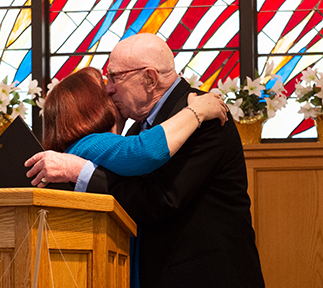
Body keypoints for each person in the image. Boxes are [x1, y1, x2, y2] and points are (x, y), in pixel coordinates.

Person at [26, 33, 265, 287]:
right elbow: (138, 156)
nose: (109, 88)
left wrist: (83, 172)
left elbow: (160, 200)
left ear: (149, 78)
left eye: (115, 77)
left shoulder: (205, 120)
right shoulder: (139, 129)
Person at [41, 66, 227, 177]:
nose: (113, 91)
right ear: (91, 106)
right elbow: (145, 151)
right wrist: (197, 111)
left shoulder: (81, 147)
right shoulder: (88, 145)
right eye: (105, 88)